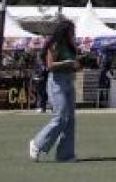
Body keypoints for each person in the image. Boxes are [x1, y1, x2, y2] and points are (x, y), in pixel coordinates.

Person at [29, 19, 82, 162]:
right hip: (56, 82)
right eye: (72, 30)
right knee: (60, 117)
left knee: (70, 119)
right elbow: (50, 66)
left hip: (69, 81)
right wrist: (68, 63)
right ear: (65, 31)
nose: (74, 33)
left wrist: (77, 65)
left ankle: (65, 154)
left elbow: (74, 63)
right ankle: (37, 143)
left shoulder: (71, 45)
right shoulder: (55, 44)